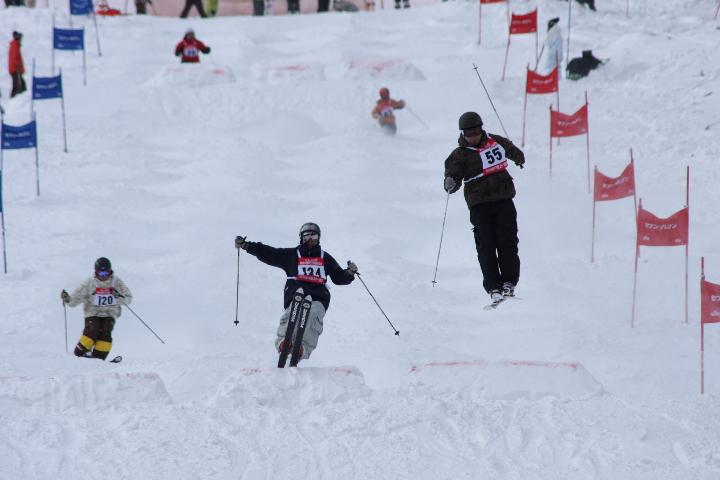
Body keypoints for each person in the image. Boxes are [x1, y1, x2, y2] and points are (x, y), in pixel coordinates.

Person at [235, 223, 357, 362]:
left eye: (313, 236)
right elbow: (269, 253)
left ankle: (302, 348)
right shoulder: (292, 255)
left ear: (318, 238)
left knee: (314, 313)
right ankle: (284, 342)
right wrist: (246, 245)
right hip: (297, 293)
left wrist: (349, 273)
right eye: (307, 236)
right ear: (301, 238)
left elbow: (338, 277)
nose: (310, 239)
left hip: (318, 297)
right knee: (294, 310)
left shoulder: (325, 258)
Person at [443, 112, 525, 305]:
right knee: (486, 247)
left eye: (476, 132)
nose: (473, 137)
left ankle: (509, 282)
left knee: (507, 242)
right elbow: (452, 177)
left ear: (481, 129)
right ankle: (493, 286)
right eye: (468, 134)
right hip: (479, 206)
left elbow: (512, 151)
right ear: (463, 134)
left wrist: (519, 158)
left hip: (503, 199)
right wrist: (450, 182)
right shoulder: (459, 154)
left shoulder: (495, 142)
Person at [61, 257, 133, 360]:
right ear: (96, 272)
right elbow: (75, 299)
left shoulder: (116, 282)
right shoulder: (89, 283)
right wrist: (68, 299)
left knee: (106, 331)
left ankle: (98, 359)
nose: (103, 276)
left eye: (106, 273)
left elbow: (128, 299)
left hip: (109, 313)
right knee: (93, 329)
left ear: (110, 271)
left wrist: (118, 297)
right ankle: (79, 354)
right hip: (92, 312)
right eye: (100, 273)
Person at [8, 31, 26, 98]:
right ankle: (15, 99)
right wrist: (18, 67)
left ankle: (18, 98)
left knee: (20, 84)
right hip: (15, 69)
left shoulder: (15, 45)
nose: (21, 40)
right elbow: (15, 58)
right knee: (18, 85)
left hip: (15, 69)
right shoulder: (15, 45)